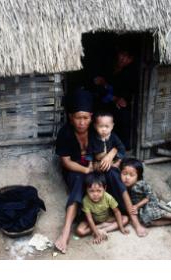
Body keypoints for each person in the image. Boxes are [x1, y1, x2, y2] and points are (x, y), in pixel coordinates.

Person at [54, 88, 147, 254]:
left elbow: (115, 144)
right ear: (71, 117)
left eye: (85, 118)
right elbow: (66, 162)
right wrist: (86, 169)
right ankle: (66, 232)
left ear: (91, 117)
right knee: (78, 183)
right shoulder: (65, 133)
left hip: (96, 166)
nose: (82, 122)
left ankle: (133, 219)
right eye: (78, 118)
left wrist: (110, 156)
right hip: (77, 168)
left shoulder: (97, 129)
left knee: (113, 173)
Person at [120, 158, 171, 233]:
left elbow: (148, 197)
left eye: (131, 175)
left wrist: (137, 206)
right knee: (145, 222)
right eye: (124, 174)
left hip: (149, 202)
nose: (127, 177)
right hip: (140, 206)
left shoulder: (141, 184)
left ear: (138, 176)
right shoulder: (123, 186)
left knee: (149, 213)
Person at [92, 47, 138, 150]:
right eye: (122, 54)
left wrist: (118, 98)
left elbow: (127, 94)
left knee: (123, 116)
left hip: (117, 104)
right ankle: (99, 145)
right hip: (103, 101)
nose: (123, 59)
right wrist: (105, 86)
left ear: (131, 60)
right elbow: (97, 83)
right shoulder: (108, 66)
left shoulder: (130, 74)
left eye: (127, 57)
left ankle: (120, 147)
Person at [76, 172, 129, 244]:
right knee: (80, 231)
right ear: (86, 190)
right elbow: (90, 219)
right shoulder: (86, 200)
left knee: (125, 218)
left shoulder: (108, 197)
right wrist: (97, 235)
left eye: (99, 191)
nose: (95, 194)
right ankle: (99, 229)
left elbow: (117, 212)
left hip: (107, 218)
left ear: (105, 188)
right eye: (91, 191)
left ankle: (104, 228)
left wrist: (121, 228)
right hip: (93, 221)